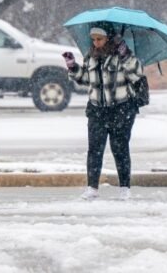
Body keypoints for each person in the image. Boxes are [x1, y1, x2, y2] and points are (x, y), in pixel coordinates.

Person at [63, 26, 145, 201]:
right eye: (93, 39)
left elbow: (137, 74)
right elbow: (86, 79)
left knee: (120, 148)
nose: (96, 42)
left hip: (121, 109)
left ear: (108, 38)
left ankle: (124, 188)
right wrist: (73, 67)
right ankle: (92, 187)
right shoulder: (91, 57)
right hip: (97, 110)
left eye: (99, 39)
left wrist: (125, 54)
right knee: (94, 149)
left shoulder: (122, 56)